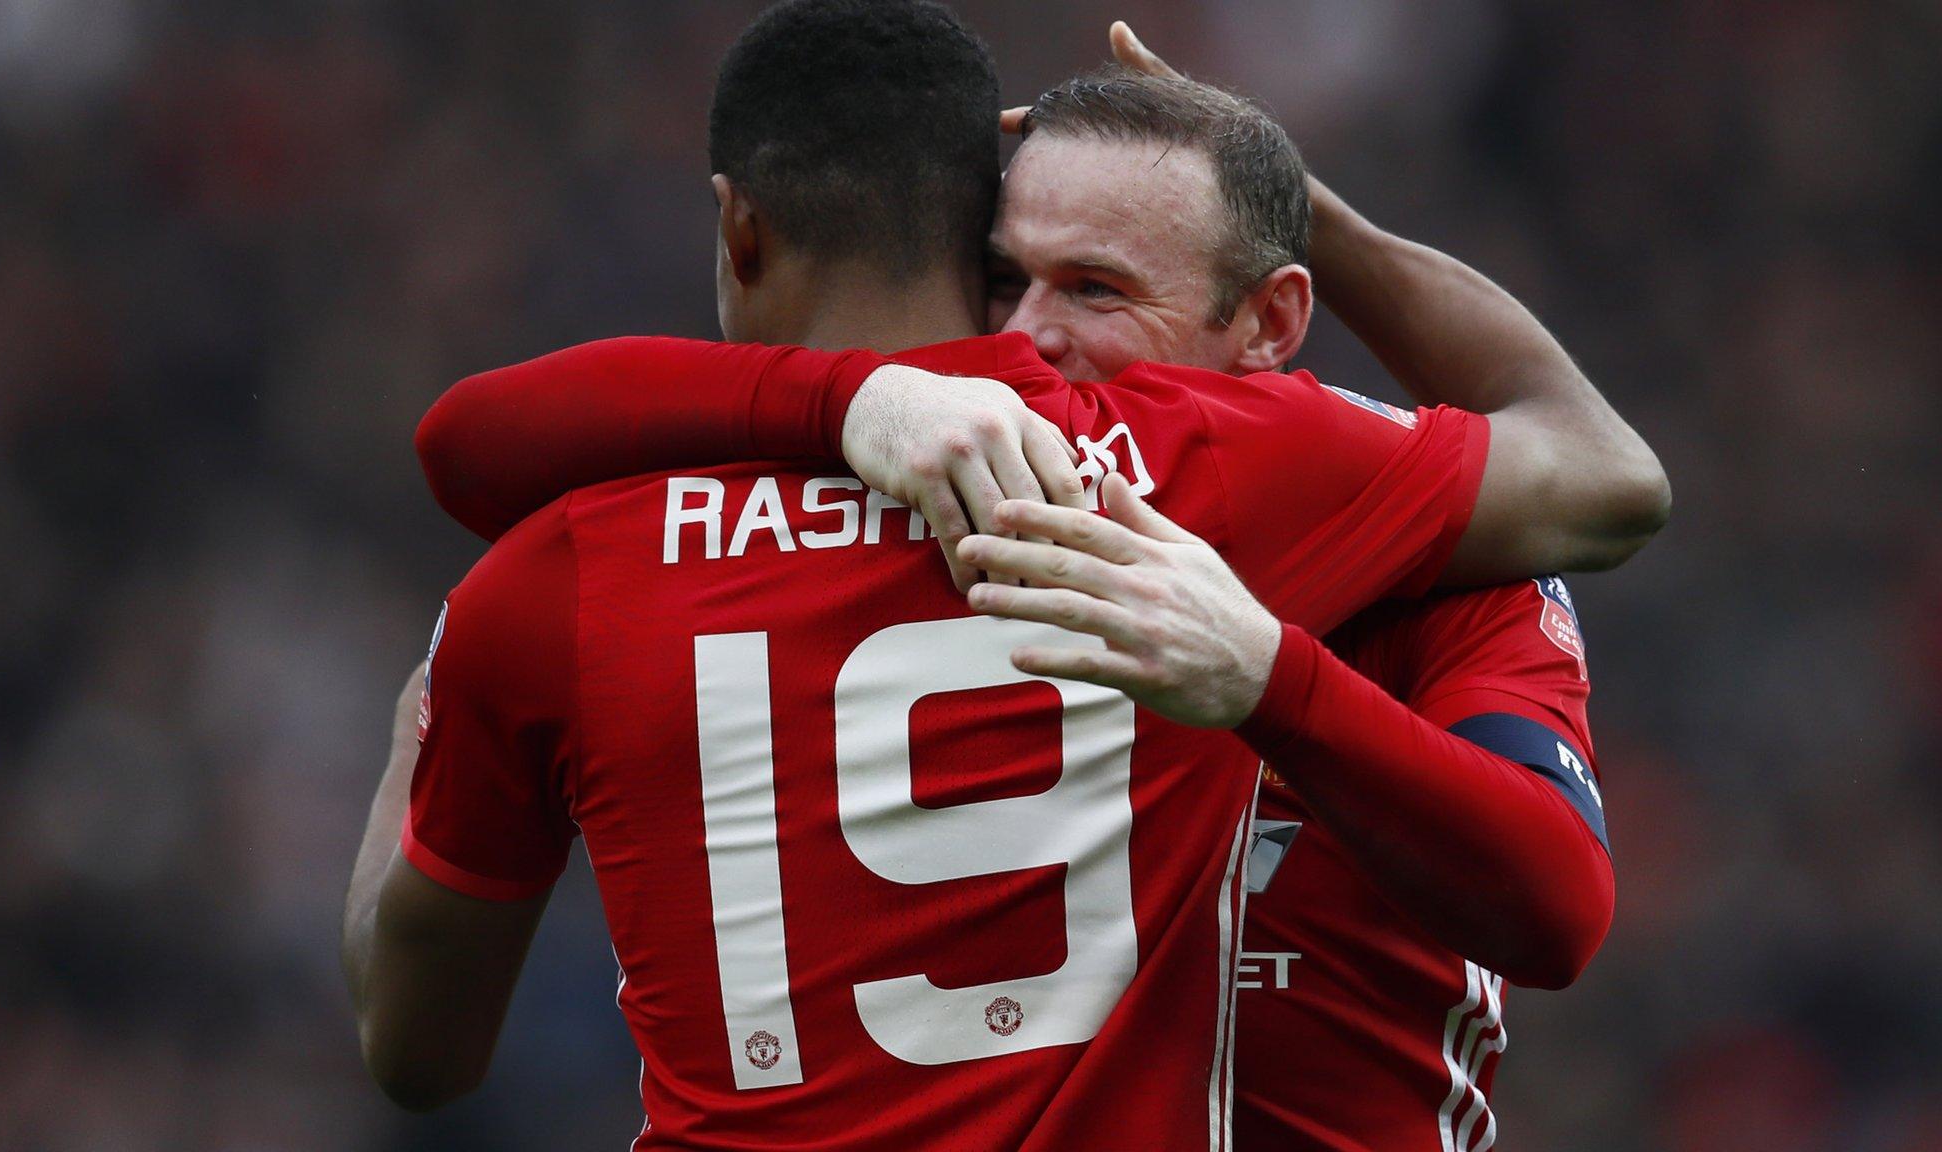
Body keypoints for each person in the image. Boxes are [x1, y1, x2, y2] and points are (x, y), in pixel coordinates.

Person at [406, 23, 1654, 1150]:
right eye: (1002, 280)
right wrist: (855, 395)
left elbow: (1553, 907)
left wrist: (1272, 683)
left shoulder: (1400, 522)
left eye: (1096, 288)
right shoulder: (991, 478)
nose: (1029, 337)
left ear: (1270, 322)